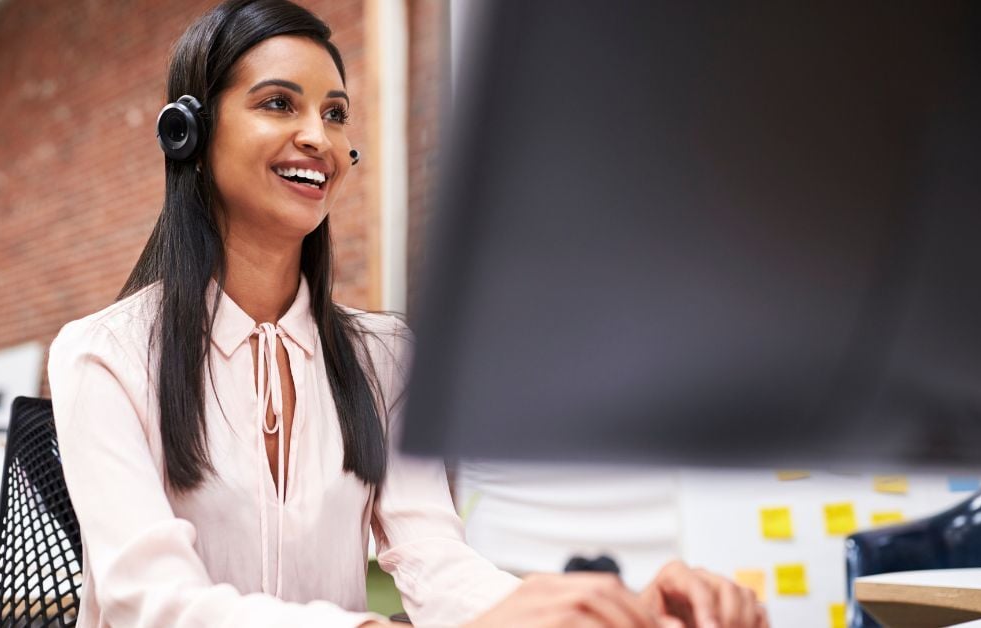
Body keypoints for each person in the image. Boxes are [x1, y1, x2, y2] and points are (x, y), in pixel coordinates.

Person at [48, 1, 767, 626]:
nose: (318, 137)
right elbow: (155, 603)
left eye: (335, 113)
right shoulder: (105, 355)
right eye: (279, 104)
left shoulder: (382, 354)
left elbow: (433, 559)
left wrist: (590, 612)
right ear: (190, 136)